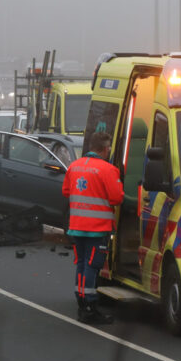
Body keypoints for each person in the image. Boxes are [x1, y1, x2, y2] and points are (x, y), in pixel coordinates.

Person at [62, 131, 124, 324]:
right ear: (106, 149)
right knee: (93, 266)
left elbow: (66, 191)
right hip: (97, 229)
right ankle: (90, 305)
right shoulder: (108, 170)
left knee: (81, 264)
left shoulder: (74, 166)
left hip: (76, 227)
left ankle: (82, 302)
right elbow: (117, 198)